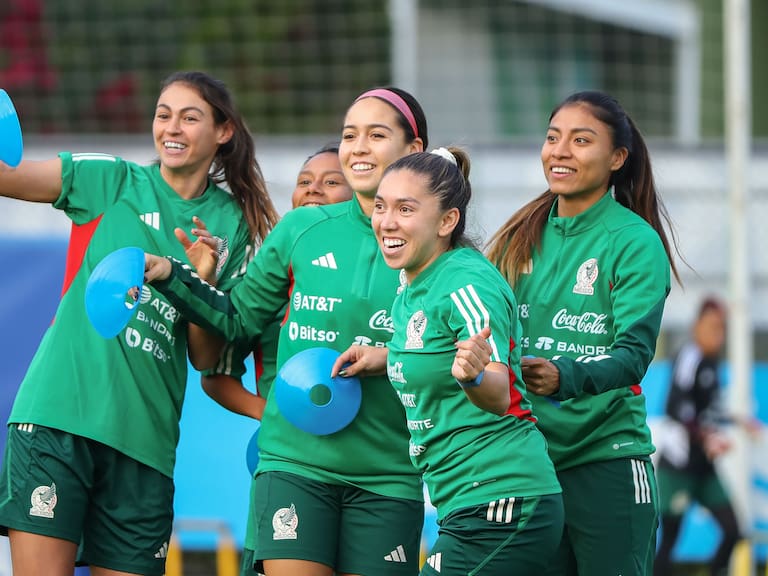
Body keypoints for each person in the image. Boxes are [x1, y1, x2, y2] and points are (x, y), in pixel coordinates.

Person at [0, 70, 279, 576]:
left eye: (189, 117)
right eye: (163, 114)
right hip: (59, 419)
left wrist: (200, 280)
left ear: (223, 131)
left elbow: (204, 356)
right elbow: (7, 175)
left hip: (145, 443)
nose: (171, 127)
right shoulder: (113, 179)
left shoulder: (233, 224)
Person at [144, 87, 429, 576]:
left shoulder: (439, 247)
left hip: (389, 476)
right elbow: (236, 318)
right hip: (296, 466)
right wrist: (181, 279)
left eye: (376, 135)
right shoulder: (301, 229)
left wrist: (391, 357)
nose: (359, 147)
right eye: (349, 135)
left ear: (413, 150)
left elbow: (454, 363)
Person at [330, 147, 564, 575]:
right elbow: (434, 350)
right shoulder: (414, 282)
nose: (387, 222)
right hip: (465, 502)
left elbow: (500, 392)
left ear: (447, 221)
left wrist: (474, 378)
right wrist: (384, 356)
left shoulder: (467, 283)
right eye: (381, 207)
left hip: (502, 500)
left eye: (405, 209)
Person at [486, 90, 682, 576]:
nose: (560, 151)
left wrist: (563, 375)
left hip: (607, 462)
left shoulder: (635, 242)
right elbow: (479, 332)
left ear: (617, 158)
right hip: (529, 465)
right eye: (553, 138)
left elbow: (634, 355)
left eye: (581, 140)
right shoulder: (518, 236)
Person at [201, 144, 352, 576]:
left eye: (330, 182)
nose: (313, 191)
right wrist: (271, 414)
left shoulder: (389, 272)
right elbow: (215, 375)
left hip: (369, 476)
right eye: (304, 182)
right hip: (288, 469)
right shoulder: (269, 281)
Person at [654, 296, 755, 576]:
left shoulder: (711, 362)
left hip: (704, 468)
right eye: (712, 327)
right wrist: (706, 437)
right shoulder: (689, 357)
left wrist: (739, 421)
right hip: (679, 467)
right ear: (697, 326)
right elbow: (677, 408)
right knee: (670, 540)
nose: (718, 334)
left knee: (733, 530)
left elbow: (708, 410)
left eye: (721, 328)